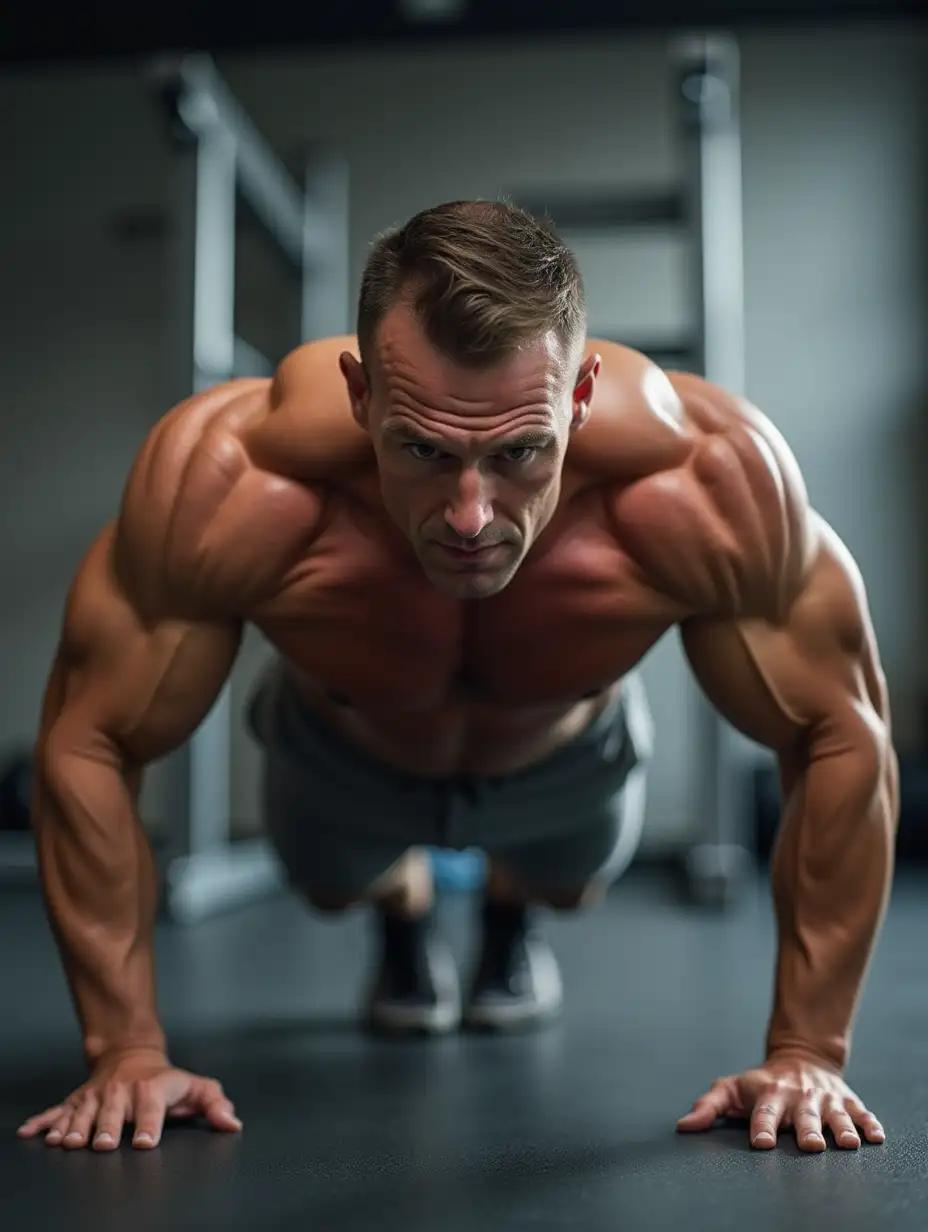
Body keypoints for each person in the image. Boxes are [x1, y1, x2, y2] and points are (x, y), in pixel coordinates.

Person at [16, 201, 894, 1158]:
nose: (470, 517)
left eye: (520, 453)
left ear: (583, 393)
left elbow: (841, 729)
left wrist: (808, 1049)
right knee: (330, 884)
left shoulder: (702, 480)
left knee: (564, 884)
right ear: (361, 395)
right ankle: (404, 907)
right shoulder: (233, 476)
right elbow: (88, 737)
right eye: (423, 451)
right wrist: (126, 1053)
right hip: (339, 759)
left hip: (567, 759)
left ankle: (512, 911)